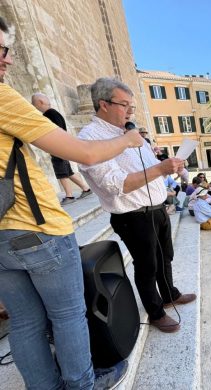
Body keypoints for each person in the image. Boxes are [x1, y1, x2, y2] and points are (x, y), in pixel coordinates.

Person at [0, 17, 144, 389]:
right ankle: (82, 384)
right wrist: (127, 142)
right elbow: (83, 152)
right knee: (68, 315)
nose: (9, 61)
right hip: (37, 228)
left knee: (26, 322)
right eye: (2, 50)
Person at [77, 77, 196, 334]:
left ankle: (169, 294)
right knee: (147, 265)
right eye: (125, 105)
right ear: (103, 104)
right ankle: (155, 312)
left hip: (156, 209)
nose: (130, 111)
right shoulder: (89, 139)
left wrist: (170, 167)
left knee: (165, 257)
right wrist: (160, 168)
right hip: (133, 216)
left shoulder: (130, 133)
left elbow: (149, 167)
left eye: (132, 105)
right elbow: (114, 184)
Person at [32, 93, 93, 205]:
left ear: (40, 102)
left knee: (61, 173)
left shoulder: (49, 114)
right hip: (62, 147)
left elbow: (55, 132)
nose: (34, 107)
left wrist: (54, 148)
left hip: (57, 148)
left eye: (34, 105)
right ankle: (86, 189)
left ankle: (69, 196)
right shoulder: (54, 113)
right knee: (68, 172)